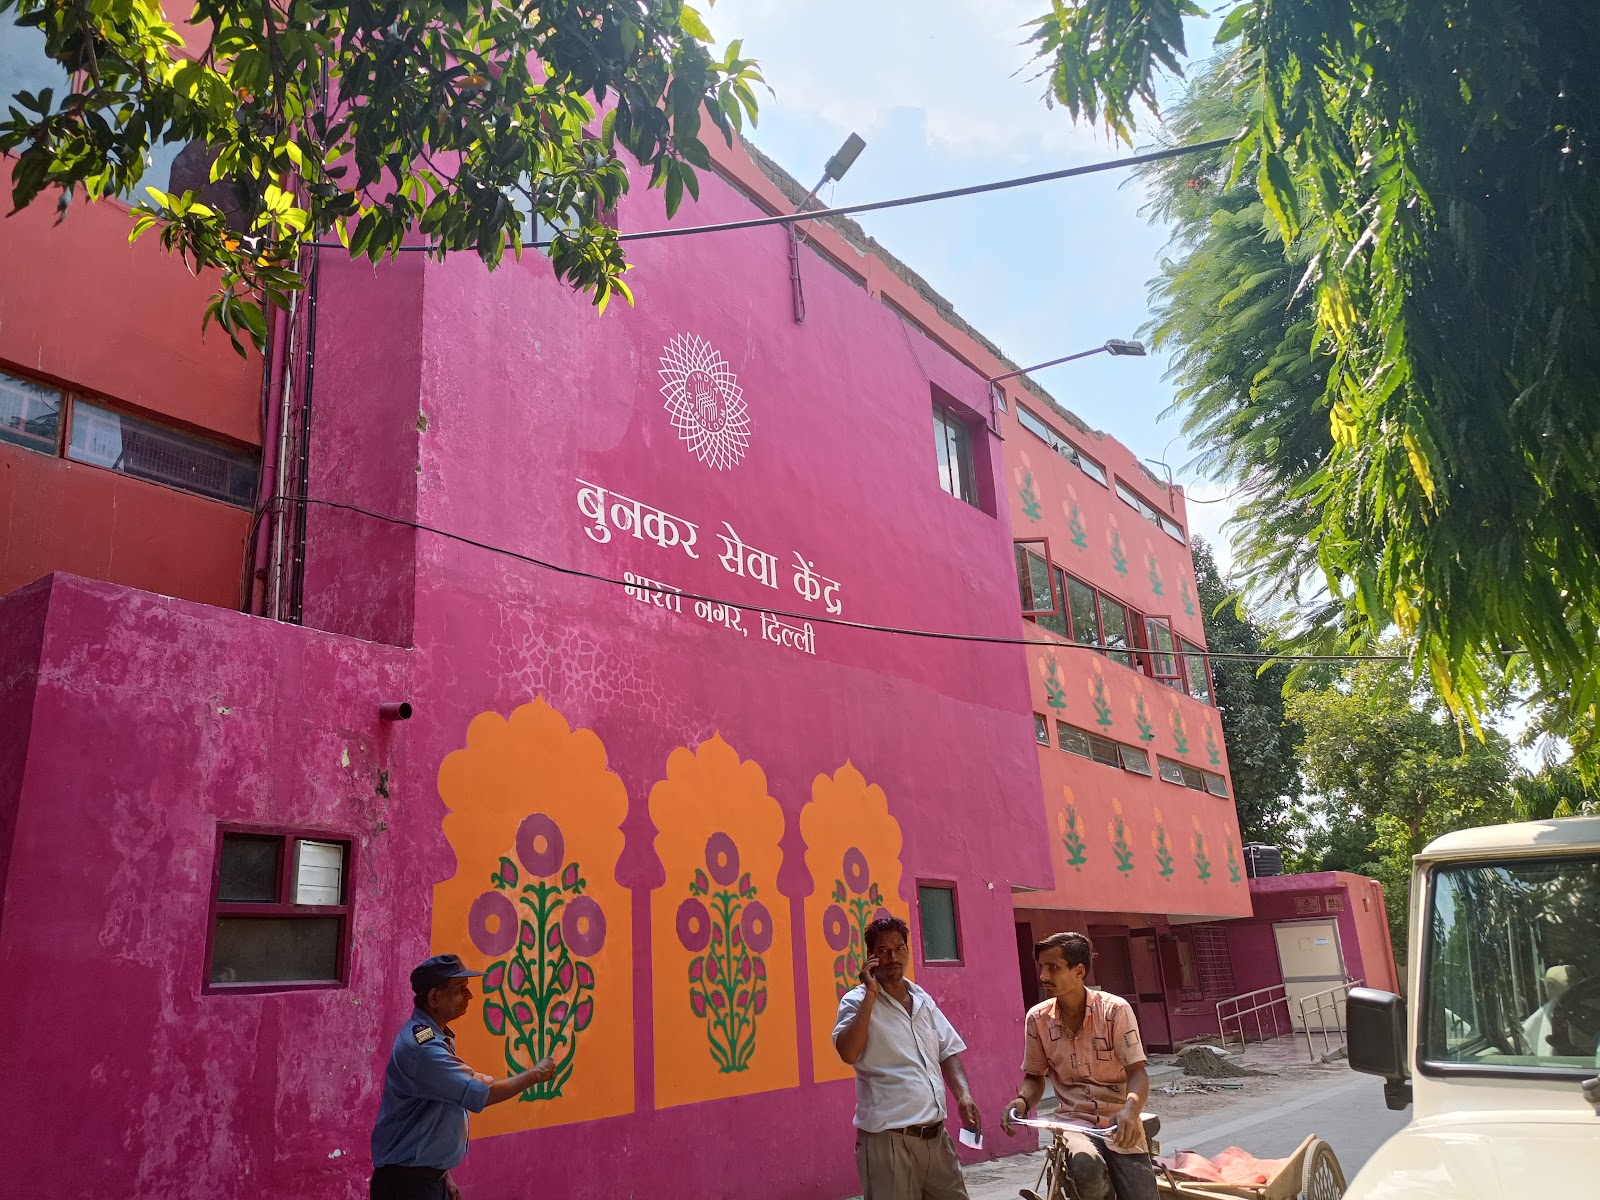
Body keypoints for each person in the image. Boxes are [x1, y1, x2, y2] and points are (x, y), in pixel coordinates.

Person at [370, 953, 557, 1200]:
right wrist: (535, 1074)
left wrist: (444, 1174)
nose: (469, 996)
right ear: (435, 997)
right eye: (460, 989)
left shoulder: (433, 1035)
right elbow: (479, 1093)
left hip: (424, 1179)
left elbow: (433, 1116)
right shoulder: (423, 1048)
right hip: (406, 1186)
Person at [834, 915, 983, 1200]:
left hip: (937, 1140)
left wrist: (963, 1095)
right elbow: (848, 1052)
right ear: (870, 957)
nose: (893, 958)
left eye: (899, 948)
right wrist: (870, 994)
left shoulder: (922, 999)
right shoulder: (855, 1001)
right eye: (883, 951)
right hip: (889, 1143)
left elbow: (948, 1049)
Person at [1001, 931, 1157, 1200]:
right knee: (1086, 1168)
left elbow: (1137, 1072)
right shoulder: (1037, 1019)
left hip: (1120, 1124)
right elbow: (1035, 1076)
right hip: (1074, 1125)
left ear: (1079, 970)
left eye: (1054, 968)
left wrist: (1130, 1111)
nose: (1043, 977)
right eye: (1042, 968)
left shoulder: (1114, 1010)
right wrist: (1022, 1101)